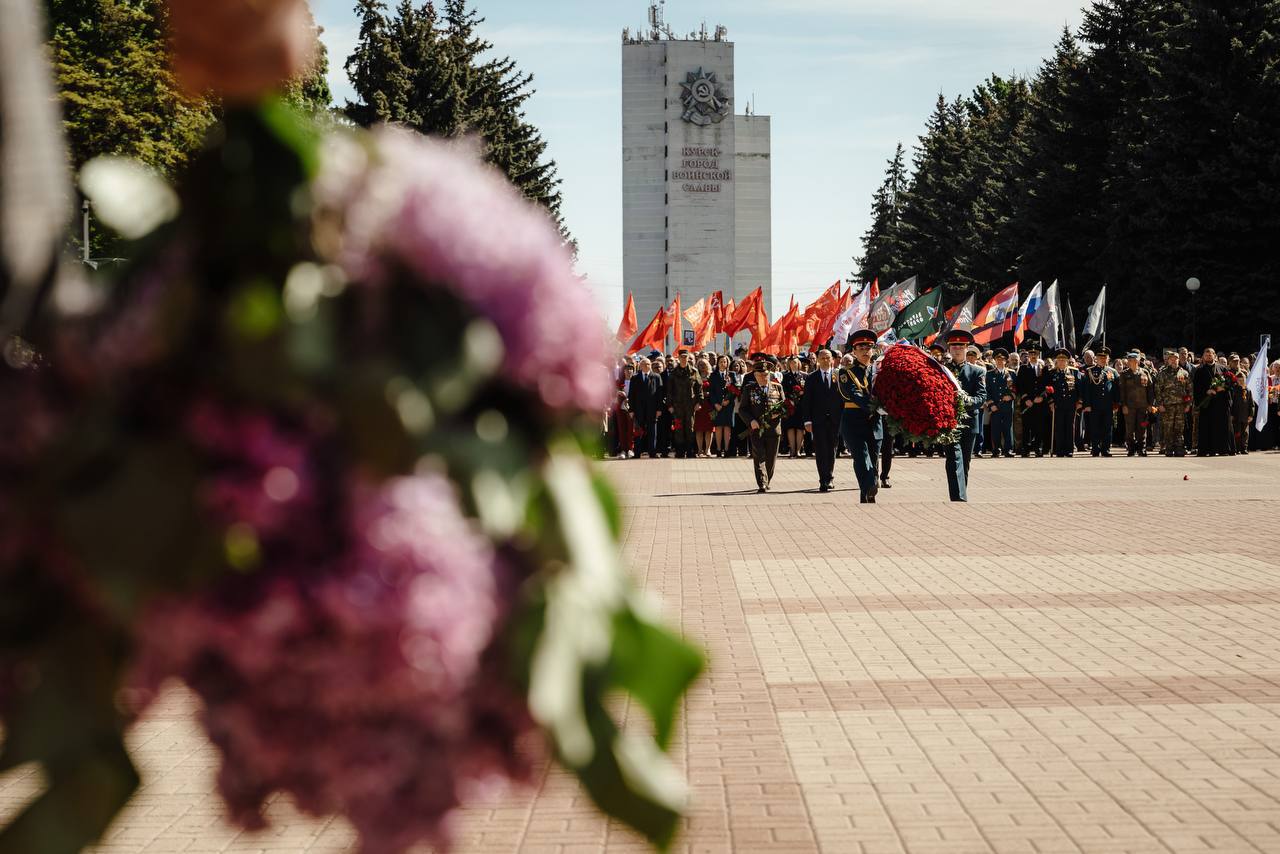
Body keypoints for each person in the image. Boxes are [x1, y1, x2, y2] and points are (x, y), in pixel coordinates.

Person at [942, 329, 987, 501]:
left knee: (965, 462)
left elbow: (981, 397)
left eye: (961, 346)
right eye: (954, 346)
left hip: (970, 422)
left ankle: (961, 493)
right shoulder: (942, 370)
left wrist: (964, 400)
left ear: (967, 348)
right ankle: (958, 498)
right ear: (949, 348)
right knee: (954, 458)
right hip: (949, 422)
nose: (957, 349)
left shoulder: (977, 371)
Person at [837, 330, 882, 503]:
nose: (865, 350)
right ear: (853, 351)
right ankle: (870, 485)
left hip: (875, 422)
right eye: (860, 347)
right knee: (862, 456)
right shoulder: (845, 373)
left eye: (869, 347)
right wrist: (877, 407)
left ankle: (867, 494)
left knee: (874, 458)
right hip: (854, 420)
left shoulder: (879, 372)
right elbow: (854, 394)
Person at [736, 358, 786, 492]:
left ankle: (767, 478)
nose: (763, 377)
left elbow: (785, 406)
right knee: (759, 456)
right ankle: (762, 482)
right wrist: (751, 421)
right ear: (755, 375)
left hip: (774, 429)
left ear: (769, 374)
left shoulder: (777, 387)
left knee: (771, 458)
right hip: (756, 429)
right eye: (760, 375)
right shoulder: (749, 389)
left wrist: (779, 413)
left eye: (765, 374)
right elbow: (742, 409)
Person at [803, 348, 842, 492]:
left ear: (832, 360)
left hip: (834, 420)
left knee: (832, 449)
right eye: (822, 358)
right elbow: (806, 401)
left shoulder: (838, 376)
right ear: (818, 360)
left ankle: (830, 478)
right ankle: (822, 480)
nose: (825, 360)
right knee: (820, 450)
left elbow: (842, 400)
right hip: (817, 420)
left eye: (828, 358)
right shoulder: (811, 377)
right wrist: (807, 421)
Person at [1081, 346, 1119, 457]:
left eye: (1105, 357)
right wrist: (1087, 404)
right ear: (1096, 358)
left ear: (1108, 359)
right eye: (1100, 357)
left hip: (1108, 405)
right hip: (1095, 405)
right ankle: (1095, 448)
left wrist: (1117, 403)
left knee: (1107, 428)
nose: (1103, 359)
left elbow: (1116, 389)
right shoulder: (1090, 371)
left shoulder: (1113, 372)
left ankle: (1105, 449)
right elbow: (1087, 390)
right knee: (1095, 427)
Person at [1044, 348, 1083, 457]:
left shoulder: (1074, 372)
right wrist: (1051, 402)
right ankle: (1059, 449)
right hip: (1057, 405)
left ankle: (1069, 449)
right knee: (1059, 427)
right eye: (1059, 360)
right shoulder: (1052, 373)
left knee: (1070, 427)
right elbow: (1047, 389)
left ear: (1067, 361)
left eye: (1064, 360)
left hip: (1071, 404)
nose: (1061, 362)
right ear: (1056, 361)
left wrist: (1080, 401)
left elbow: (1080, 388)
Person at [1193, 347, 1231, 456]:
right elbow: (1196, 388)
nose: (1209, 356)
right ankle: (1207, 450)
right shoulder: (1199, 371)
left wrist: (1223, 388)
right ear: (1204, 357)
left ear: (1215, 356)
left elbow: (1230, 383)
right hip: (1207, 404)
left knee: (1221, 427)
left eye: (1211, 354)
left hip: (1220, 404)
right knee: (1207, 427)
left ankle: (1222, 449)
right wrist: (1206, 391)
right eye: (1206, 354)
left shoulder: (1223, 369)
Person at [666, 350, 703, 459]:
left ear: (688, 358)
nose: (683, 359)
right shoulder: (673, 373)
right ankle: (680, 452)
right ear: (678, 358)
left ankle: (690, 451)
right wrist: (670, 405)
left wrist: (699, 402)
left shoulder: (694, 372)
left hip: (690, 406)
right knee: (678, 429)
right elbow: (669, 391)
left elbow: (699, 388)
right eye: (681, 357)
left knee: (690, 429)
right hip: (677, 407)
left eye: (685, 357)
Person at [1118, 351, 1156, 456]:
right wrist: (1123, 405)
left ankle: (1141, 448)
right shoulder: (1124, 374)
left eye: (1134, 360)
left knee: (1142, 428)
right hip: (1129, 407)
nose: (1132, 362)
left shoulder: (1145, 372)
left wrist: (1150, 404)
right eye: (1130, 361)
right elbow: (1122, 391)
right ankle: (1131, 448)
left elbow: (1150, 390)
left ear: (1138, 361)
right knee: (1129, 429)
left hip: (1143, 407)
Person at [1154, 348, 1191, 456]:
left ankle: (1179, 448)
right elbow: (1157, 389)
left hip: (1180, 405)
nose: (1174, 361)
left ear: (1179, 360)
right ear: (1168, 360)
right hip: (1167, 405)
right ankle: (1169, 448)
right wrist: (1159, 404)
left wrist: (1188, 404)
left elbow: (1189, 390)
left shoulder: (1184, 373)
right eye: (1171, 359)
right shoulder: (1163, 373)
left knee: (1179, 428)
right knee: (1168, 428)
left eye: (1176, 359)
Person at [627, 357, 663, 458]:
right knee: (638, 432)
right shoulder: (635, 378)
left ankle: (652, 452)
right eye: (645, 364)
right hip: (639, 410)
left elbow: (659, 394)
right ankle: (637, 452)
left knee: (652, 431)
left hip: (652, 409)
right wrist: (631, 409)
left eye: (648, 364)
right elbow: (631, 395)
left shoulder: (656, 377)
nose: (647, 366)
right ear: (640, 366)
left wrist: (659, 409)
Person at [1016, 343, 1047, 457]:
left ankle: (1038, 447)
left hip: (1040, 403)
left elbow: (1047, 385)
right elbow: (1019, 385)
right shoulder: (1023, 368)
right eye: (1031, 353)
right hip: (1027, 403)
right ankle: (1026, 448)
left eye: (1035, 354)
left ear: (1039, 355)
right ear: (1028, 355)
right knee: (1027, 427)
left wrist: (1042, 397)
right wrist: (1026, 399)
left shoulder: (1044, 368)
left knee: (1039, 427)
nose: (1033, 355)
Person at [984, 348, 1016, 457]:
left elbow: (1016, 388)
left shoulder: (1011, 373)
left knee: (1007, 428)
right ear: (994, 360)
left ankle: (1008, 449)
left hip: (1007, 405)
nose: (1000, 361)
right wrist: (991, 404)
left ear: (1006, 361)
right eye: (997, 359)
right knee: (996, 429)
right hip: (995, 406)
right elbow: (986, 390)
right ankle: (996, 450)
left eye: (1002, 359)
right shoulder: (990, 374)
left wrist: (1011, 396)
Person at [709, 355, 735, 457]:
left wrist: (728, 400)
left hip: (728, 406)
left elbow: (735, 389)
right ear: (718, 363)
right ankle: (719, 449)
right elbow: (711, 392)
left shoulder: (731, 375)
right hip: (717, 406)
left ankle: (727, 449)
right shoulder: (713, 375)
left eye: (725, 362)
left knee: (727, 427)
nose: (723, 364)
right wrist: (716, 404)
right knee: (718, 427)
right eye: (721, 362)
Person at [1226, 353, 1252, 454]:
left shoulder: (1244, 372)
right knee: (1235, 429)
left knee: (1245, 431)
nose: (1236, 363)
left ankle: (1244, 447)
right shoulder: (1227, 373)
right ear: (1230, 362)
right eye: (1234, 361)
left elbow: (1249, 390)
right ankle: (1234, 447)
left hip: (1245, 403)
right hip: (1233, 404)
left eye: (1237, 361)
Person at [692, 358, 715, 457]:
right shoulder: (695, 376)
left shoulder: (712, 376)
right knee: (699, 428)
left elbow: (715, 391)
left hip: (710, 406)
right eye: (700, 365)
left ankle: (708, 449)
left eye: (704, 364)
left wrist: (709, 394)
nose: (702, 367)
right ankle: (700, 450)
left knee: (709, 429)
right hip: (699, 406)